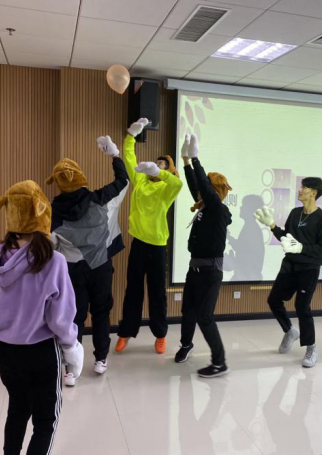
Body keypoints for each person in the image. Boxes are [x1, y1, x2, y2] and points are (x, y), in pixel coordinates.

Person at [0, 180, 83, 455]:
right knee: (45, 420)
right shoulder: (53, 260)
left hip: (5, 351)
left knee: (17, 410)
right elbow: (60, 317)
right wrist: (72, 347)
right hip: (40, 353)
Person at [46, 135, 128, 384]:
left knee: (74, 316)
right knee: (101, 313)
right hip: (101, 265)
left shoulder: (53, 212)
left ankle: (72, 369)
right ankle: (101, 359)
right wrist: (114, 156)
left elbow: (51, 246)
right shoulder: (101, 198)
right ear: (81, 178)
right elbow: (123, 182)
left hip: (73, 270)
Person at [116, 118, 183, 354]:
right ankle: (126, 332)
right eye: (156, 163)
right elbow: (129, 159)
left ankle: (160, 334)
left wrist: (160, 173)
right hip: (139, 243)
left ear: (167, 170)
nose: (157, 165)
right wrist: (130, 137)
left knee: (157, 293)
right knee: (133, 290)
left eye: (162, 165)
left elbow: (178, 184)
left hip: (157, 246)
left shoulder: (166, 189)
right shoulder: (141, 181)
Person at [254, 177, 322, 368]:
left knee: (302, 307)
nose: (300, 190)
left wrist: (301, 248)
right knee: (273, 300)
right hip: (289, 265)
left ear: (313, 193)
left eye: (304, 187)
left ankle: (311, 347)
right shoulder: (295, 213)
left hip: (309, 269)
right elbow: (286, 238)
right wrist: (272, 226)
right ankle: (290, 331)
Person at [175, 134, 233, 378]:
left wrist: (196, 159)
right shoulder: (205, 207)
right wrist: (185, 161)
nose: (200, 192)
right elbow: (195, 186)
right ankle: (186, 345)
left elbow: (204, 189)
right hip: (195, 270)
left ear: (213, 191)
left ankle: (219, 363)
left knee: (205, 317)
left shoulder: (217, 210)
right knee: (188, 311)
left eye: (206, 188)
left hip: (210, 272)